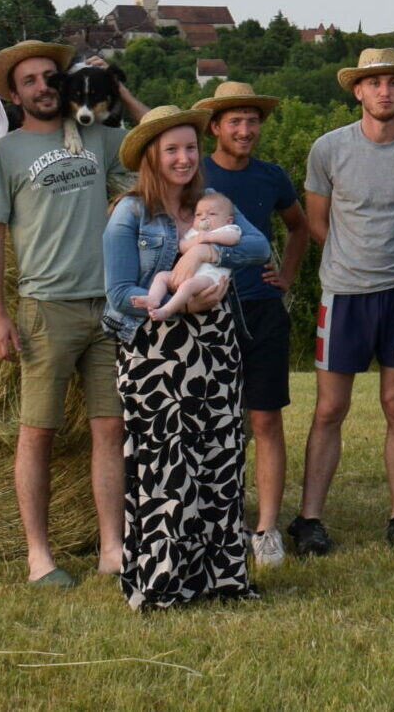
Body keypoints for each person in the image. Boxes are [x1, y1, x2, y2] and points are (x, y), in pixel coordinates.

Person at [0, 39, 146, 587]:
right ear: (14, 94)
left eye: (52, 78)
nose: (44, 87)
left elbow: (161, 136)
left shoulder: (97, 136)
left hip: (107, 307)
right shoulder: (6, 152)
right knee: (37, 433)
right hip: (45, 310)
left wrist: (116, 87)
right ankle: (38, 557)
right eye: (30, 82)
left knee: (109, 428)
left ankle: (112, 550)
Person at [103, 105, 273, 610]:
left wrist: (205, 254)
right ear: (152, 158)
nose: (183, 158)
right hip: (156, 357)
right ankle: (162, 585)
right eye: (171, 150)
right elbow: (116, 293)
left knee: (219, 462)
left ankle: (222, 581)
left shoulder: (211, 203)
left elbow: (260, 247)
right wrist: (177, 300)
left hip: (215, 352)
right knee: (165, 469)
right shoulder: (130, 213)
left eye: (189, 149)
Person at [287, 48, 394, 556]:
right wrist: (351, 263)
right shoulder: (328, 149)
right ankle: (309, 519)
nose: (384, 91)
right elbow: (317, 224)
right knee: (330, 407)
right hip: (344, 294)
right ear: (357, 90)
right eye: (374, 82)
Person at [194, 80, 311, 568]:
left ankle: (265, 529)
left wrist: (285, 274)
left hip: (262, 308)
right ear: (216, 127)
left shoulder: (271, 176)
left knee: (264, 418)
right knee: (210, 423)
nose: (245, 130)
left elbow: (299, 225)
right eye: (234, 122)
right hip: (203, 312)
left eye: (252, 121)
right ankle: (217, 521)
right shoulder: (193, 171)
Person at [131, 190, 239, 321]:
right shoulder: (195, 233)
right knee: (161, 276)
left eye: (211, 214)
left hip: (211, 279)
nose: (204, 217)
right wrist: (196, 241)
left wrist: (209, 237)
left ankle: (167, 310)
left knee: (188, 285)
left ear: (228, 220)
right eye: (198, 214)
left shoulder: (227, 229)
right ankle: (154, 298)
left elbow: (233, 239)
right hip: (187, 276)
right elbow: (181, 246)